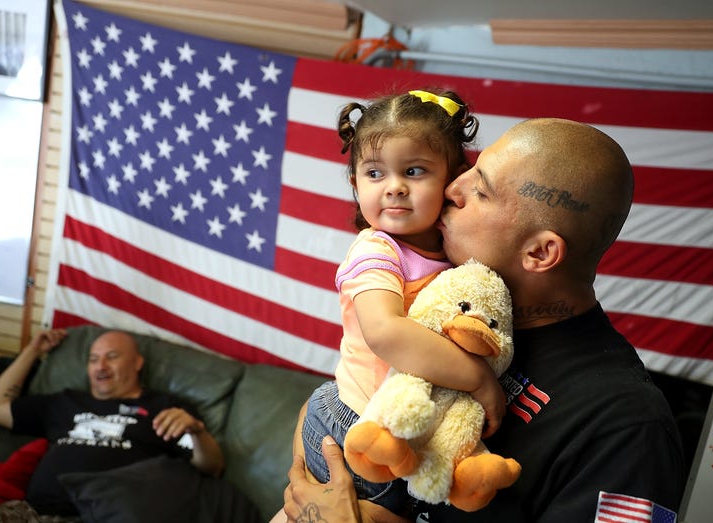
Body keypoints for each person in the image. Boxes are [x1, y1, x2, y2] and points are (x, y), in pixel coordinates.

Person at [281, 118, 687, 522]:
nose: (451, 188)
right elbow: (338, 399)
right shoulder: (449, 301)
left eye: (479, 190)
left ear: (540, 253)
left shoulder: (626, 427)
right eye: (467, 172)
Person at [273, 88, 511, 522]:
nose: (395, 187)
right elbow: (385, 332)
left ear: (454, 180)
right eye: (375, 173)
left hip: (401, 422)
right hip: (354, 422)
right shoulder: (377, 251)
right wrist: (477, 379)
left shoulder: (454, 253)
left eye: (415, 171)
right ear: (355, 184)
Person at [0, 328, 225, 522]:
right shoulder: (65, 402)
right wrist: (32, 351)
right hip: (32, 514)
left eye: (112, 357)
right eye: (93, 359)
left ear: (138, 363)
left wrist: (196, 431)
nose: (100, 366)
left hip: (104, 516)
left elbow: (212, 466)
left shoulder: (163, 407)